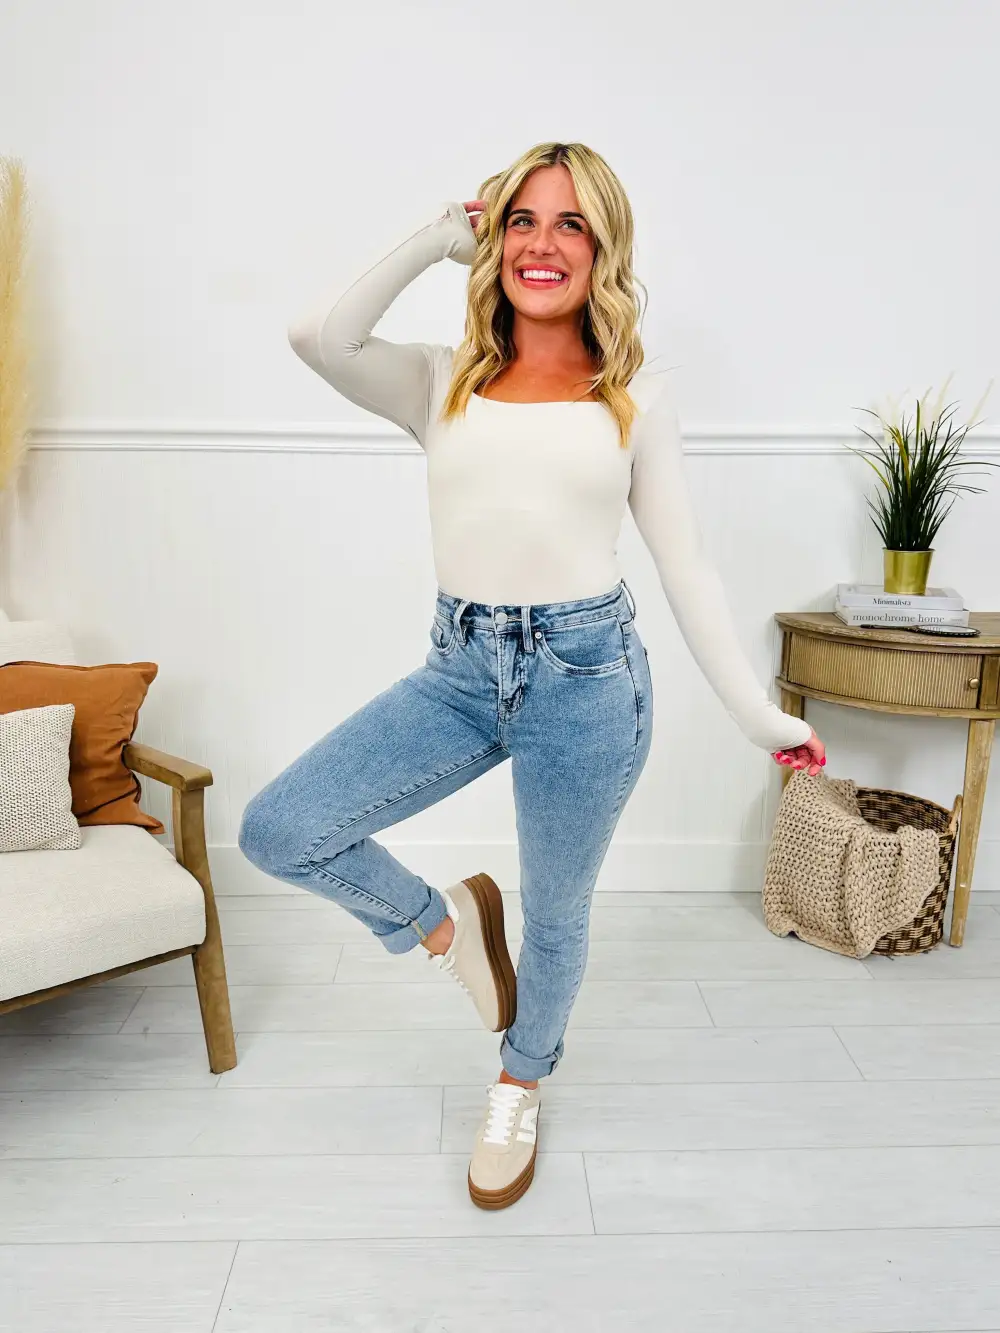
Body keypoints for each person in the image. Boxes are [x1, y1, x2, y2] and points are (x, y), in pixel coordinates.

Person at [238, 140, 826, 1211]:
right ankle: (446, 926)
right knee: (280, 827)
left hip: (588, 679)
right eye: (522, 220)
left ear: (602, 250)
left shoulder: (634, 396)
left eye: (570, 224)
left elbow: (685, 566)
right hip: (459, 669)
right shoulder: (439, 379)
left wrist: (758, 717)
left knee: (556, 914)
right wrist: (435, 237)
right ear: (494, 237)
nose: (541, 244)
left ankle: (519, 1083)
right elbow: (317, 335)